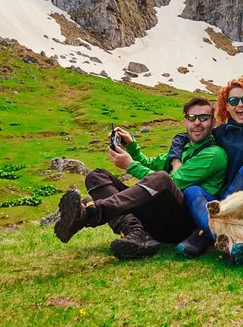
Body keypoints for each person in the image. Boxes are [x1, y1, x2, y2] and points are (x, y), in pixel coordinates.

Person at [53, 96, 227, 259]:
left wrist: (130, 165)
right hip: (157, 216)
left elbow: (172, 182)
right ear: (185, 121)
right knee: (96, 176)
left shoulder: (214, 154)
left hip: (182, 226)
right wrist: (132, 147)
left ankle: (92, 213)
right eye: (191, 117)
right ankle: (136, 233)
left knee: (162, 179)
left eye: (204, 118)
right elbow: (151, 163)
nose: (197, 122)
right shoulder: (184, 147)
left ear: (213, 122)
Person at [171, 18, 243, 258]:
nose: (240, 105)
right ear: (226, 107)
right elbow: (184, 136)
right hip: (219, 201)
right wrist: (175, 157)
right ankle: (224, 238)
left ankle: (202, 236)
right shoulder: (218, 134)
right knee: (192, 191)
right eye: (233, 101)